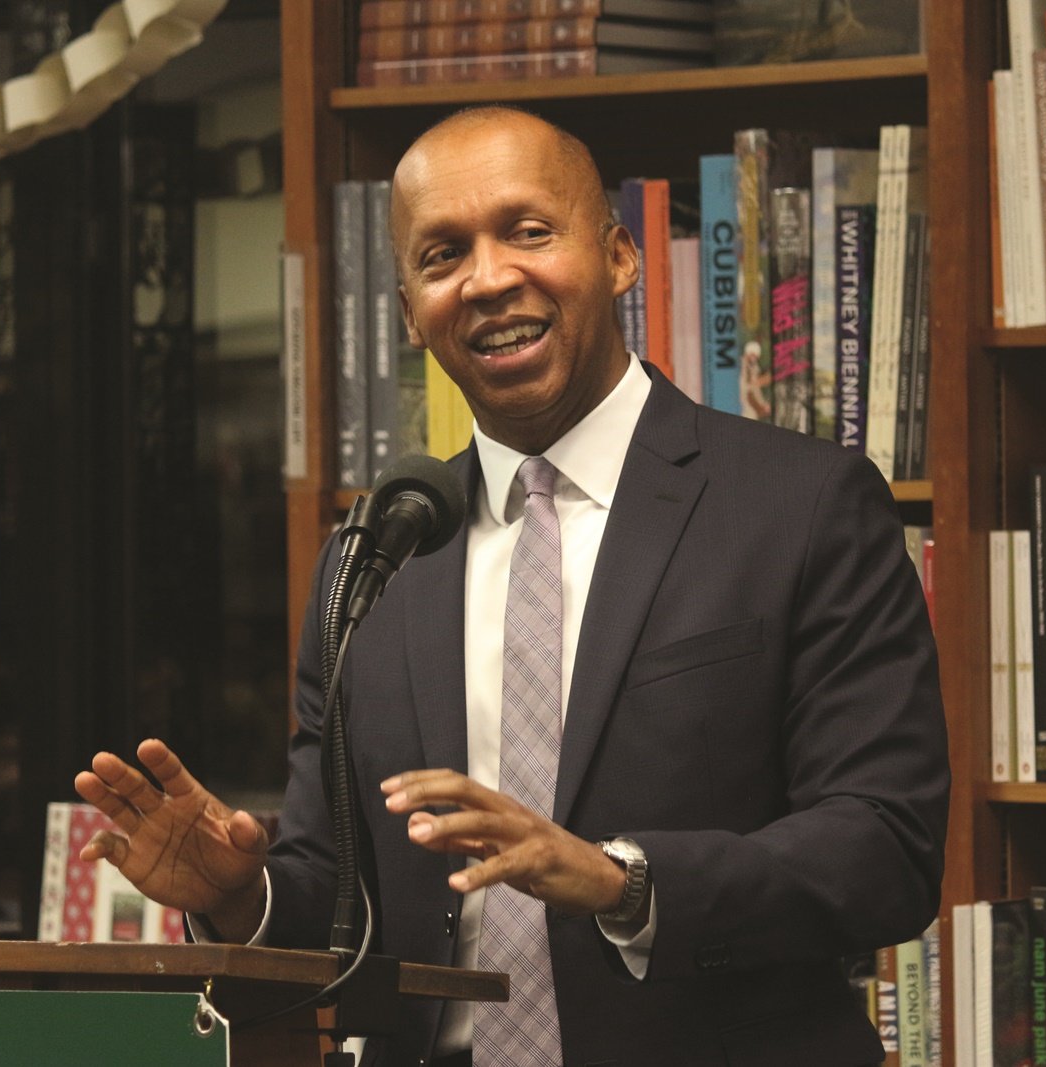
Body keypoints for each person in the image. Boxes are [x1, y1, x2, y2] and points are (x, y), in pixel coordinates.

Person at [76, 105, 949, 1067]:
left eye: (529, 231)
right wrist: (240, 896)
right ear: (410, 310)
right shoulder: (375, 556)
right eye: (443, 254)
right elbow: (346, 888)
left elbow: (884, 850)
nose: (489, 279)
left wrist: (621, 880)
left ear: (619, 256)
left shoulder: (803, 505)